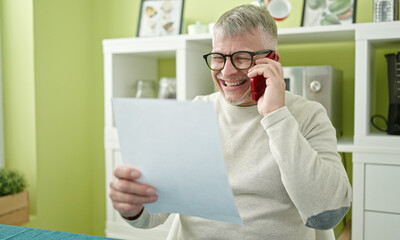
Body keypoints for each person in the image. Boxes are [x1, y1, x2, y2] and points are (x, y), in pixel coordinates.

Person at [109, 4, 352, 239]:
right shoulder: (197, 112)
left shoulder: (308, 115)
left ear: (272, 60)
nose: (226, 72)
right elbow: (153, 214)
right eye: (218, 58)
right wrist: (133, 208)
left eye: (241, 58)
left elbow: (327, 215)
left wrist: (276, 115)